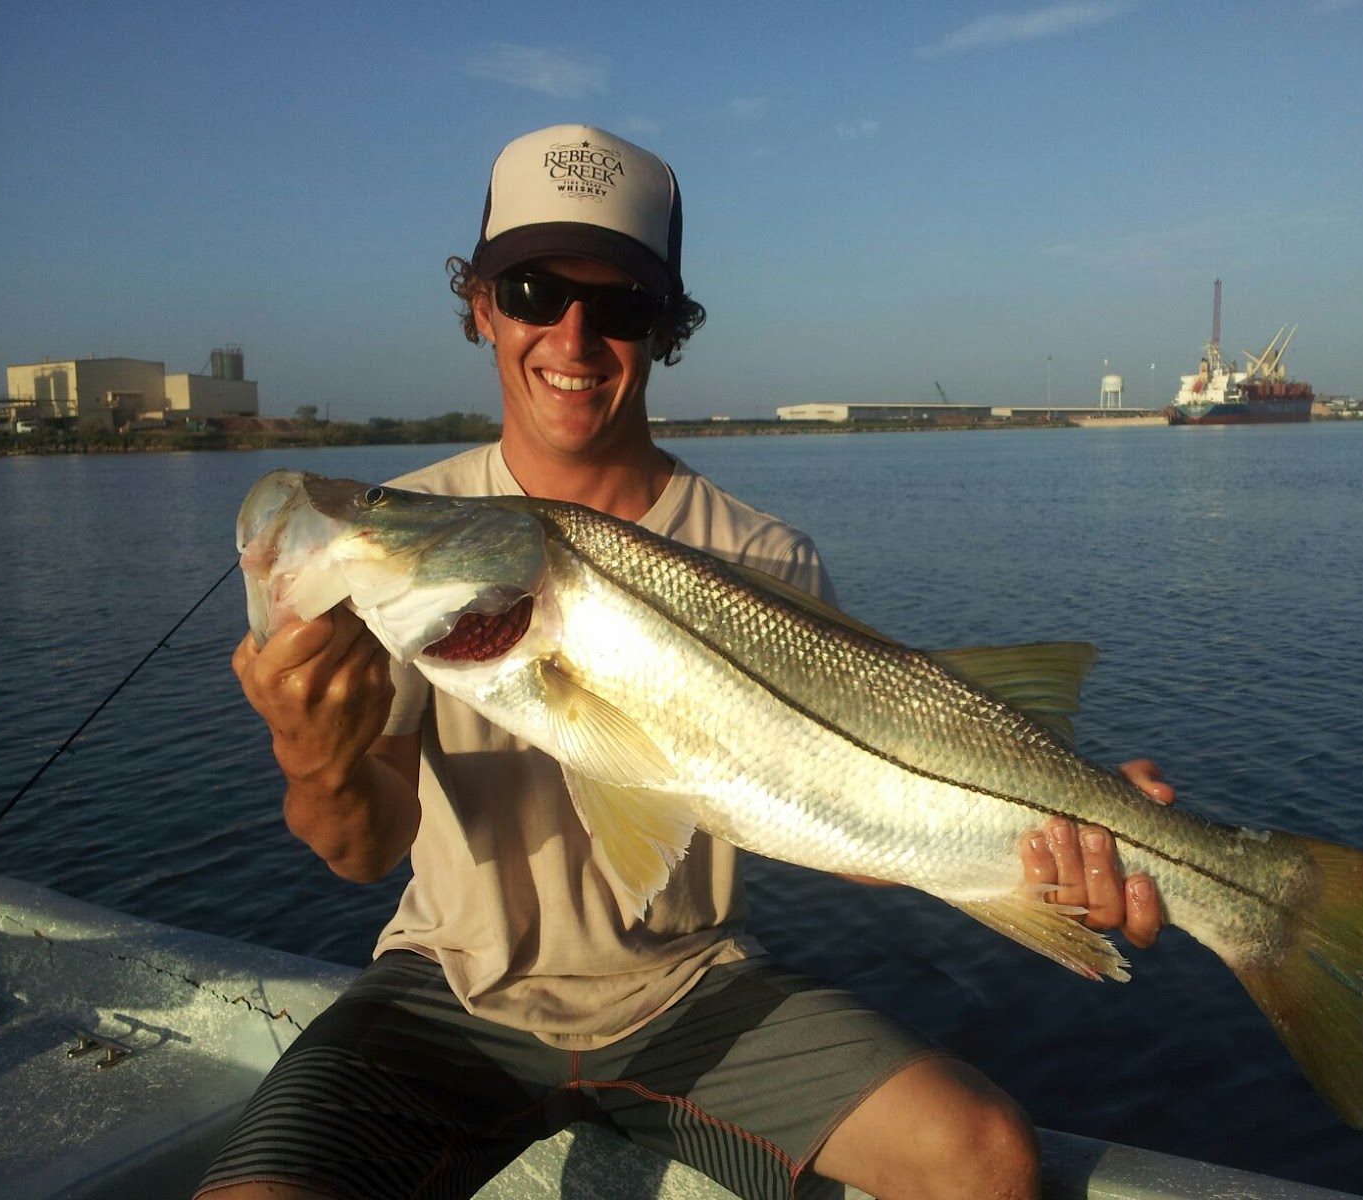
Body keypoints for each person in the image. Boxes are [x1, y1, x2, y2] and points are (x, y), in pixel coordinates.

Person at [201, 124, 1174, 1200]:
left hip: (692, 987)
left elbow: (845, 810)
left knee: (985, 1160)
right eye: (531, 290)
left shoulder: (760, 554)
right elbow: (362, 848)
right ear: (479, 305)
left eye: (619, 306)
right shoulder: (414, 561)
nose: (572, 338)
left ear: (665, 331)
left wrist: (1049, 839)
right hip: (450, 990)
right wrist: (313, 754)